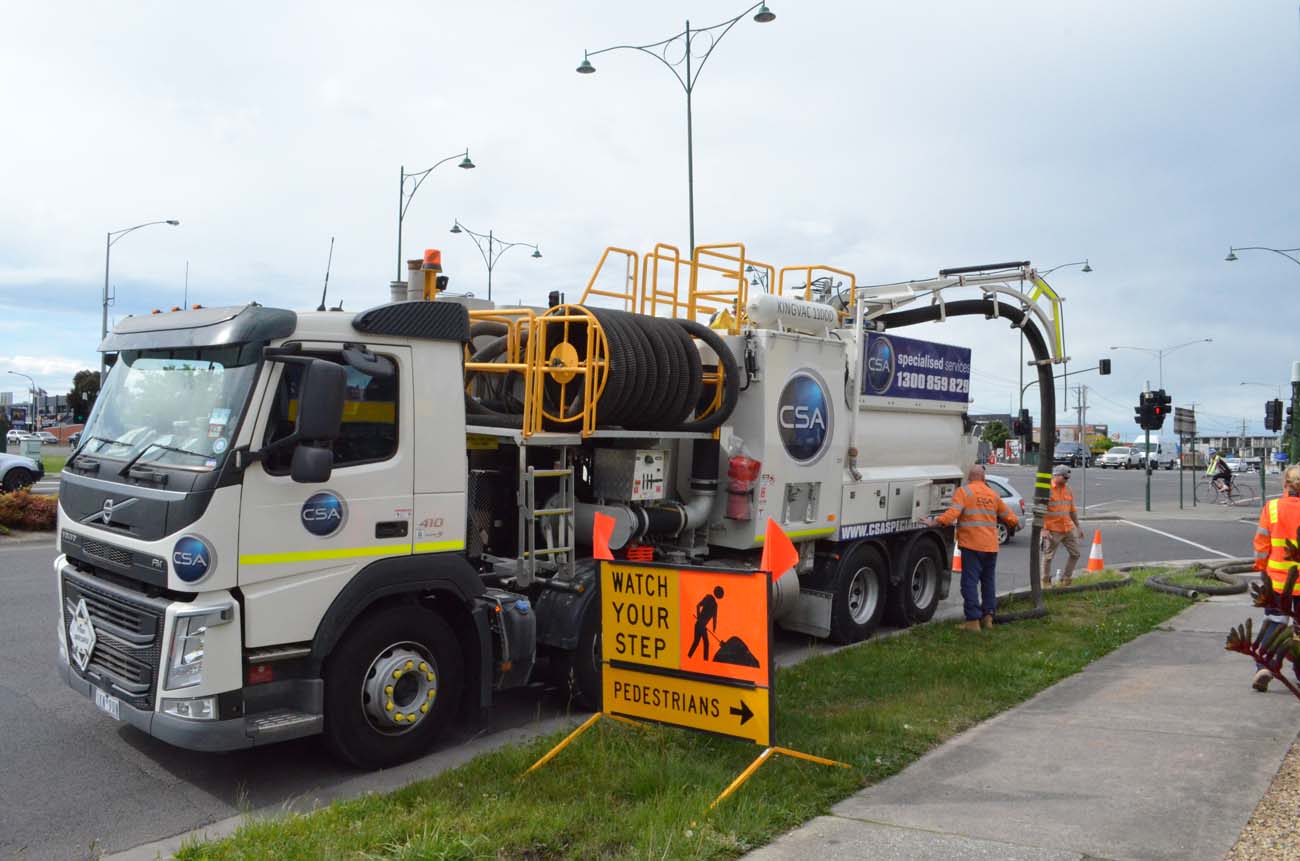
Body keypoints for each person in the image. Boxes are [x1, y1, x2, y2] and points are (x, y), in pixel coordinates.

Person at [925, 464, 1019, 631]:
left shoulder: (964, 492)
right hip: (991, 546)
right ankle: (988, 618)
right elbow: (1010, 517)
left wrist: (935, 522)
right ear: (983, 478)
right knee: (988, 582)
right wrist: (1015, 524)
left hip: (972, 546)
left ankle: (973, 621)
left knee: (969, 583)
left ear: (969, 478)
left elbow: (953, 513)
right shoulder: (993, 494)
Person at [1250, 465, 1300, 692]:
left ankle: (1266, 667)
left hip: (1278, 581)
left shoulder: (1272, 508)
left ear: (1286, 485)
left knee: (1275, 623)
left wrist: (1262, 568)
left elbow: (1262, 544)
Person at [1041, 465, 1085, 588]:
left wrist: (1078, 527)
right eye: (1065, 477)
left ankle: (1066, 578)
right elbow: (1040, 511)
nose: (1067, 480)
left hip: (1067, 528)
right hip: (1053, 530)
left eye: (1068, 478)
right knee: (1048, 557)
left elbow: (1072, 510)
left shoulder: (1068, 489)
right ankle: (1045, 581)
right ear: (1056, 475)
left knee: (1075, 553)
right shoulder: (1047, 489)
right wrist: (1043, 529)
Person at [688, 586, 724, 660]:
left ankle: (690, 656)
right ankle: (702, 660)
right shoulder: (709, 598)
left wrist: (714, 628)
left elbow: (714, 618)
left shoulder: (715, 605)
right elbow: (698, 605)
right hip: (699, 625)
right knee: (702, 643)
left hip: (701, 626)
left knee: (697, 642)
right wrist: (698, 617)